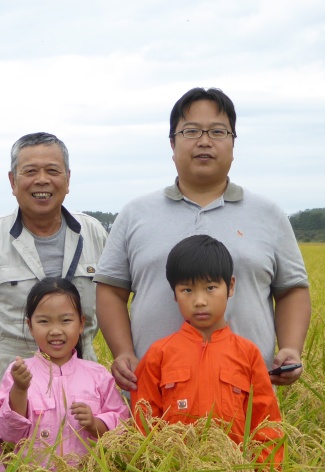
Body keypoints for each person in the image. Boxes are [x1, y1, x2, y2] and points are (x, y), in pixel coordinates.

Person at [94, 87, 311, 394]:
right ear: (172, 143)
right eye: (191, 131)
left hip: (245, 396)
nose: (205, 141)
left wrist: (291, 347)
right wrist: (123, 352)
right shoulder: (135, 213)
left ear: (233, 143)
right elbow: (110, 291)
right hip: (154, 396)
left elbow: (291, 291)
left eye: (218, 131)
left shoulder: (268, 214)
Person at [0, 132, 109, 392]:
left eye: (53, 170)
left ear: (67, 178)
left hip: (85, 390)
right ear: (12, 180)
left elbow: (113, 305)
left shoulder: (93, 233)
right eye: (30, 171)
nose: (42, 180)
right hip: (10, 389)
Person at [132, 235, 284, 467]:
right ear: (174, 293)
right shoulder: (159, 354)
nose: (200, 301)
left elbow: (266, 425)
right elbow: (143, 423)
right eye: (187, 290)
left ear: (230, 286)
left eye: (210, 288)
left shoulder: (247, 354)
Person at [0, 278, 128, 466]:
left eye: (65, 320)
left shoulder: (98, 375)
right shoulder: (19, 373)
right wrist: (20, 390)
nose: (55, 330)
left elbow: (122, 424)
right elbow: (7, 433)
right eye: (44, 322)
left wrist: (94, 424)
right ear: (30, 326)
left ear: (81, 324)